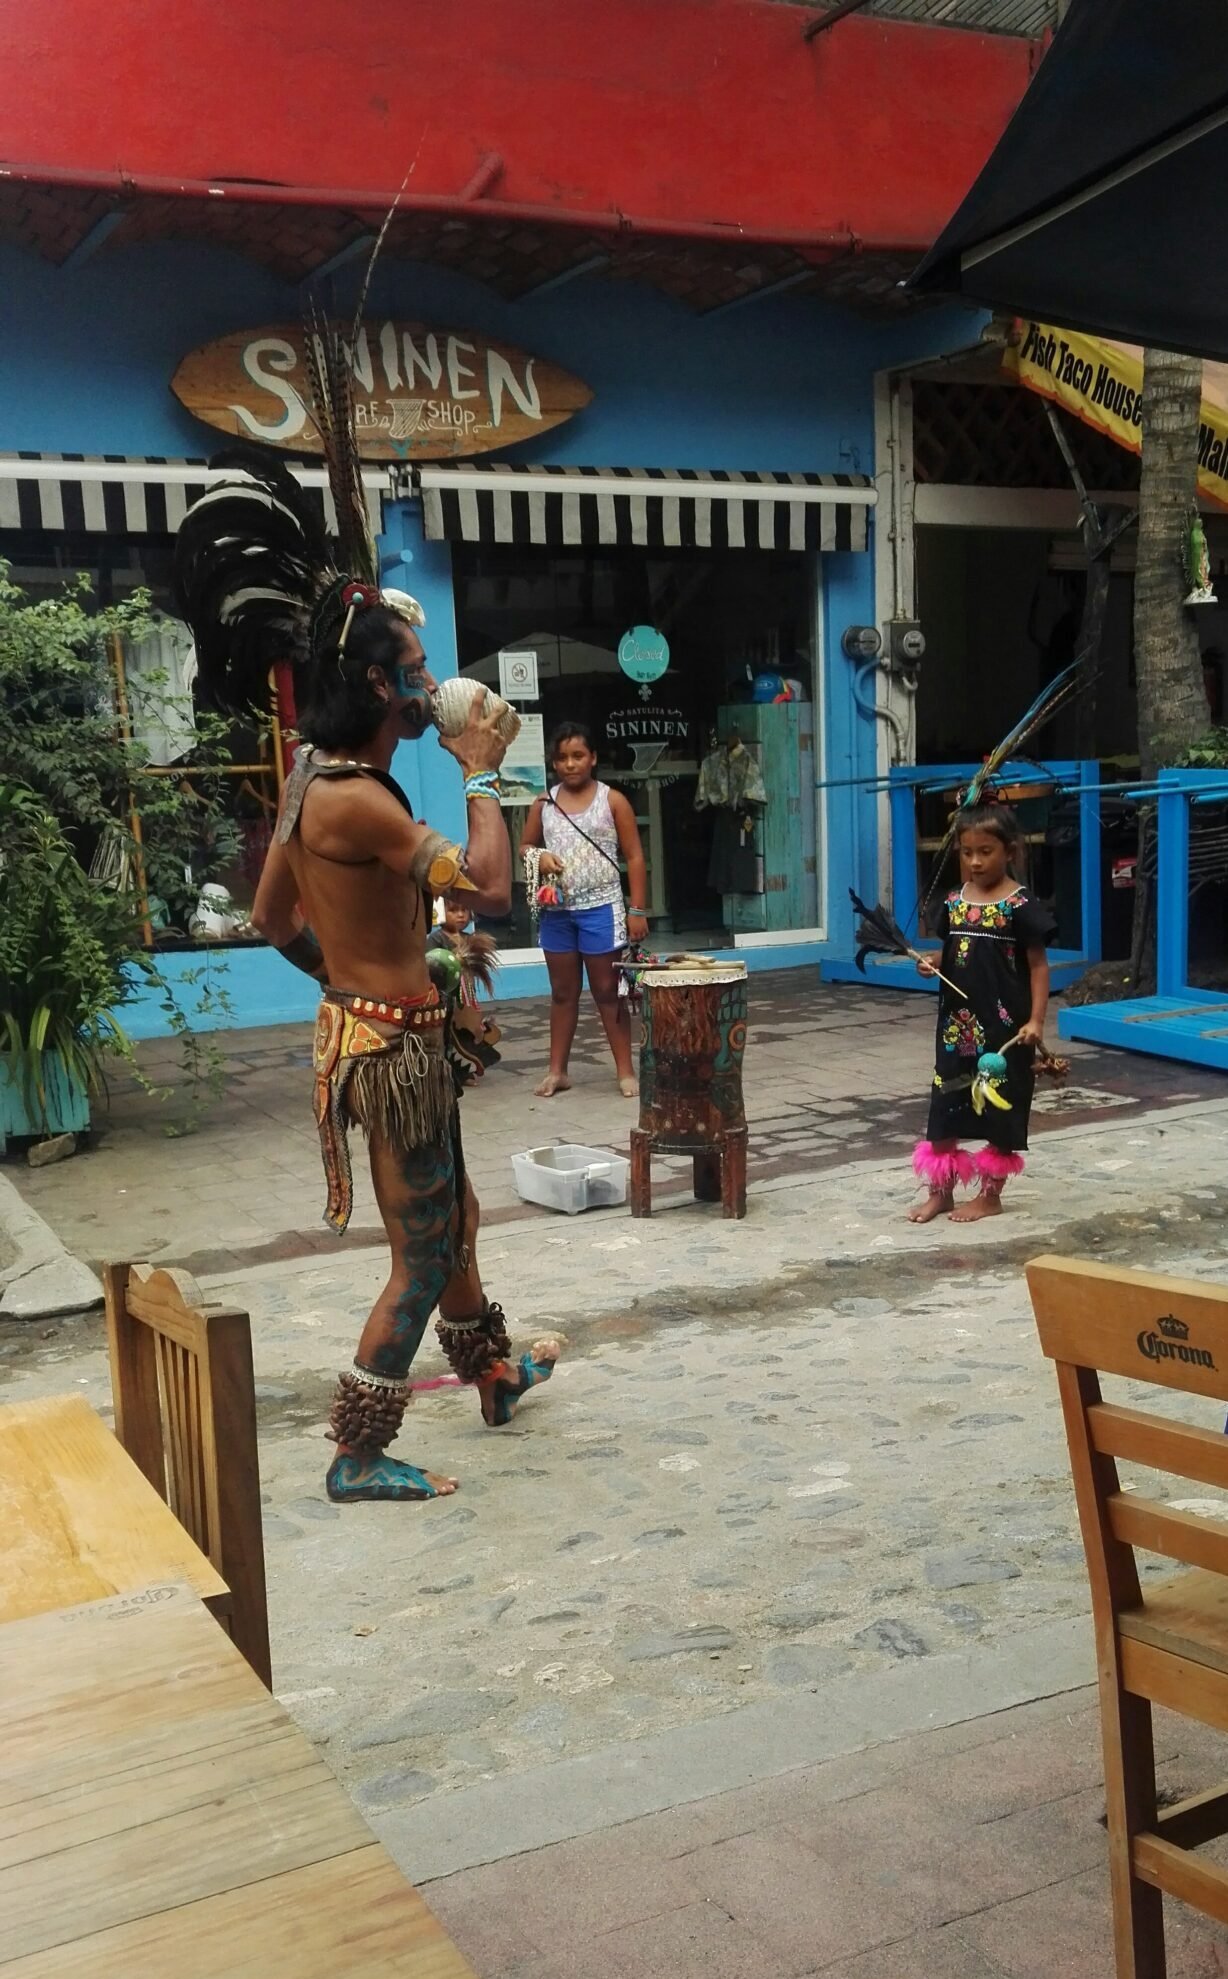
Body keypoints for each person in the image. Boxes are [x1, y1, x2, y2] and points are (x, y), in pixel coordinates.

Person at [175, 446, 558, 1505]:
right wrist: (486, 769)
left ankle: (492, 1371)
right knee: (422, 1253)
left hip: (388, 1035)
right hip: (394, 1051)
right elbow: (486, 884)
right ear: (381, 686)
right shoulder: (362, 802)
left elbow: (268, 922)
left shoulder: (313, 781)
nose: (434, 683)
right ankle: (355, 1449)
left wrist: (351, 985)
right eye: (417, 668)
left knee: (455, 1216)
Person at [910, 803, 1055, 1225]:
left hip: (1007, 1031)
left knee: (1001, 1107)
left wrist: (1037, 1021)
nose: (974, 860)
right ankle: (941, 1193)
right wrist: (934, 962)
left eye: (985, 851)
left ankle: (990, 1197)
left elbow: (1039, 966)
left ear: (1009, 851)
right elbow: (954, 951)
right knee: (946, 1103)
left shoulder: (1020, 905)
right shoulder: (954, 902)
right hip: (957, 1029)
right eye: (967, 851)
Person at [519, 721, 650, 1099]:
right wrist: (539, 856)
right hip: (557, 912)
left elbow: (635, 856)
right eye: (561, 758)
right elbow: (525, 846)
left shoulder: (613, 801)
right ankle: (557, 1071)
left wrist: (637, 909)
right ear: (553, 763)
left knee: (607, 991)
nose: (570, 764)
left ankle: (625, 1071)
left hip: (602, 909)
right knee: (562, 992)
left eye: (578, 756)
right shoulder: (543, 803)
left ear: (593, 758)